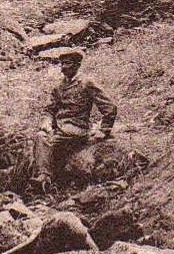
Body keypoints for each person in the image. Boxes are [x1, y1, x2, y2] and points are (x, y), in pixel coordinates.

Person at [31, 48, 117, 189]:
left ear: (77, 65)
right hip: (59, 128)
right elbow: (49, 109)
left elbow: (110, 107)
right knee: (40, 136)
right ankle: (44, 177)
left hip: (77, 128)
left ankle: (46, 177)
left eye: (68, 63)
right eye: (62, 64)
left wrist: (104, 130)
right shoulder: (59, 87)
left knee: (48, 140)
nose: (63, 68)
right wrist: (46, 122)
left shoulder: (86, 83)